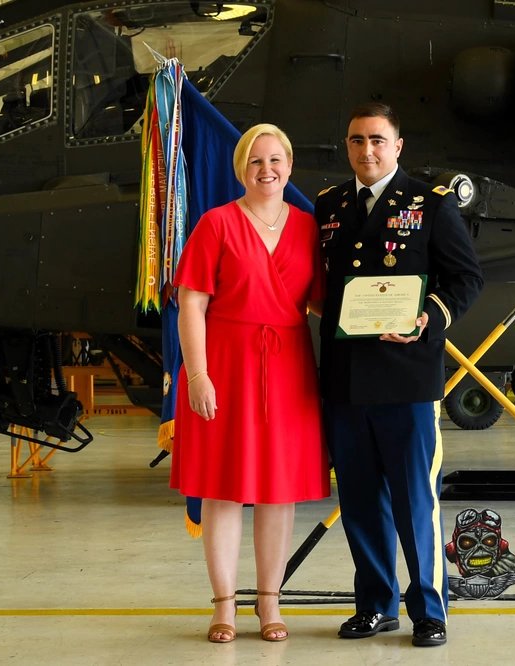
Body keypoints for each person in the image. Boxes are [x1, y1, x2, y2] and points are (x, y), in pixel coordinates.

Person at [314, 102, 483, 648]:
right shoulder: (330, 206)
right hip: (346, 380)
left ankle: (429, 610)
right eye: (357, 141)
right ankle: (376, 605)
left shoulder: (429, 204)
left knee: (415, 500)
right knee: (360, 501)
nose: (367, 151)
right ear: (347, 146)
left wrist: (427, 318)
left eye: (378, 141)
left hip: (407, 379)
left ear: (398, 146)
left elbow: (465, 278)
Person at [170, 123, 330, 643]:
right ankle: (223, 605)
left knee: (277, 492)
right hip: (225, 363)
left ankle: (269, 603)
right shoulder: (216, 224)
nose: (267, 169)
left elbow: (324, 304)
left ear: (290, 166)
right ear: (242, 168)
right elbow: (191, 304)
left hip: (287, 366)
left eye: (276, 159)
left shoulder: (309, 228)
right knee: (222, 489)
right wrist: (198, 375)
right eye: (256, 161)